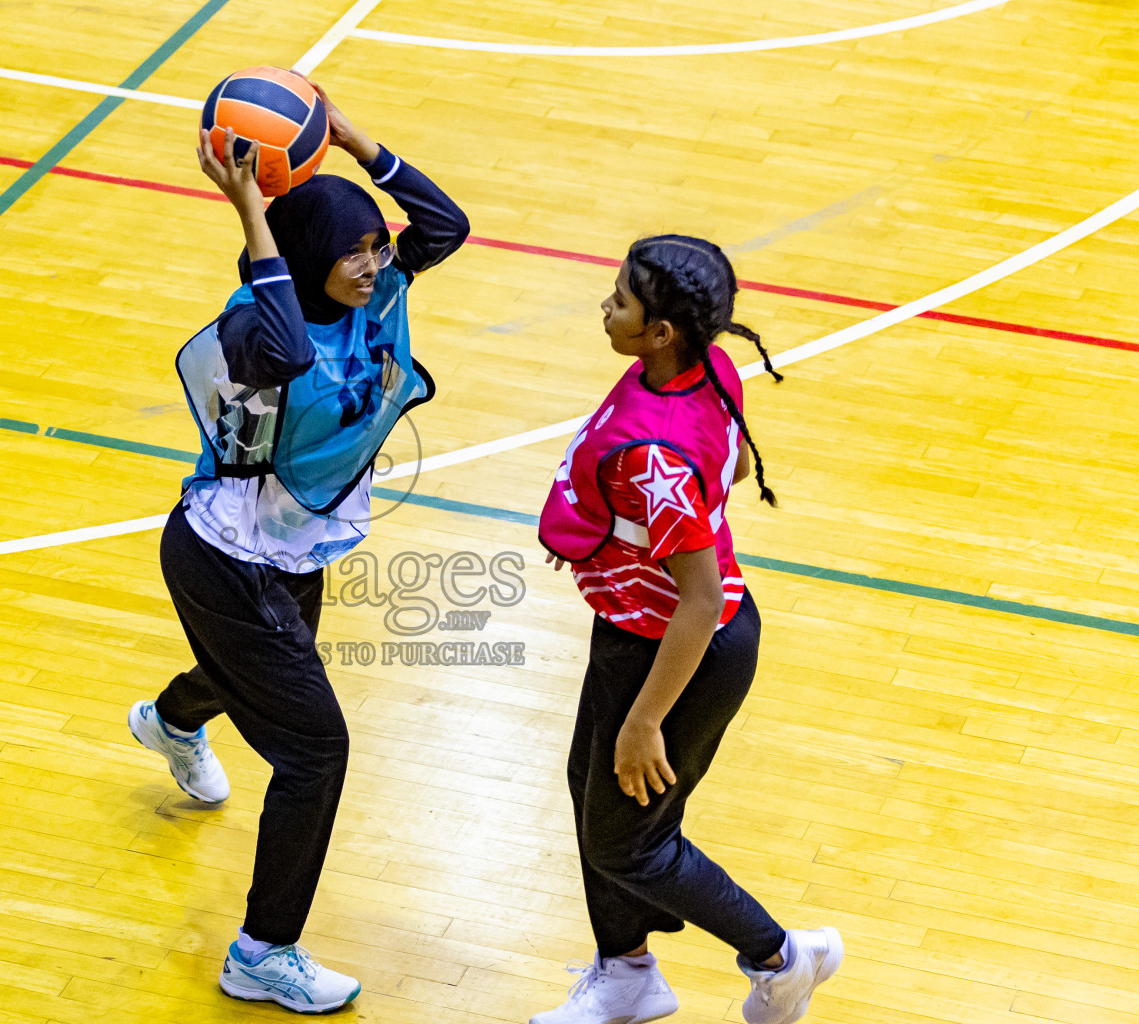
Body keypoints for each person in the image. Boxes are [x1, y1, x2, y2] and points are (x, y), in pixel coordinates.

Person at [127, 79, 468, 1014]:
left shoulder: (381, 291)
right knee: (316, 751)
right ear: (306, 252)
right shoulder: (254, 324)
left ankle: (172, 720)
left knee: (263, 682)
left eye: (374, 247)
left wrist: (359, 142)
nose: (372, 263)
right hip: (222, 555)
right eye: (354, 251)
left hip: (293, 546)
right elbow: (281, 351)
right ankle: (261, 953)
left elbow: (446, 224)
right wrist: (251, 212)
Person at [532, 236, 842, 1024]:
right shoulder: (699, 371)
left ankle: (782, 957)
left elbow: (699, 600)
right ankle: (627, 973)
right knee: (595, 801)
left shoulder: (652, 455)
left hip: (684, 649)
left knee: (628, 842)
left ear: (661, 330)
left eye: (622, 300)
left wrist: (645, 721)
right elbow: (730, 468)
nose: (607, 306)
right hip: (635, 631)